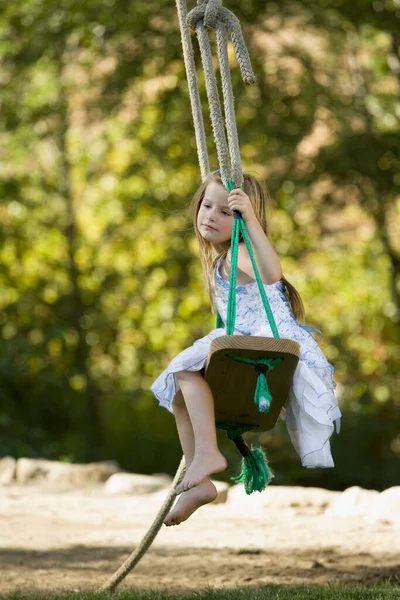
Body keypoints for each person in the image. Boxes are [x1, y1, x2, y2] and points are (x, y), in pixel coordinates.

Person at [150, 170, 341, 527]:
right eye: (207, 205)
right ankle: (200, 480)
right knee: (179, 394)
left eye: (225, 212)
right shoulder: (221, 257)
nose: (211, 215)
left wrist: (250, 218)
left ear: (241, 221)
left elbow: (271, 274)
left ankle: (206, 454)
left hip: (263, 341)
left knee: (183, 372)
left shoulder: (240, 251)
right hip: (249, 339)